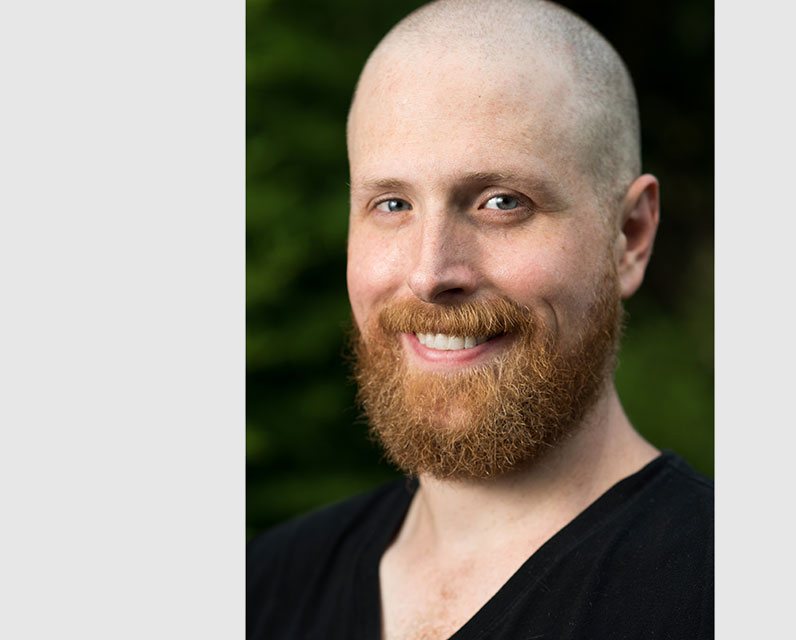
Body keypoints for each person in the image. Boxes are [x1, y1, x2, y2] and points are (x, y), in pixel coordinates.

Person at [247, 0, 713, 638]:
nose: (430, 273)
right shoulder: (262, 590)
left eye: (501, 202)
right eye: (393, 204)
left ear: (630, 235)